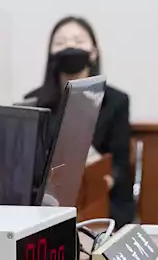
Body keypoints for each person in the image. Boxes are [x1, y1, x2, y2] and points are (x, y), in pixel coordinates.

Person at [22, 16, 134, 227]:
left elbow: (120, 163)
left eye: (78, 41)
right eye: (61, 43)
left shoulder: (116, 101)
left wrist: (100, 181)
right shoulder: (34, 102)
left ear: (94, 51)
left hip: (101, 198)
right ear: (51, 54)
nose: (70, 47)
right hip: (47, 205)